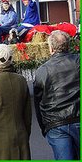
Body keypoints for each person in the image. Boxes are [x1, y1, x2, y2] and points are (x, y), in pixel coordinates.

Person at [33, 30, 80, 160]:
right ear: (68, 45)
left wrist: (44, 127)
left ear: (51, 48)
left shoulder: (43, 70)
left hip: (55, 123)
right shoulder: (78, 61)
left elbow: (38, 102)